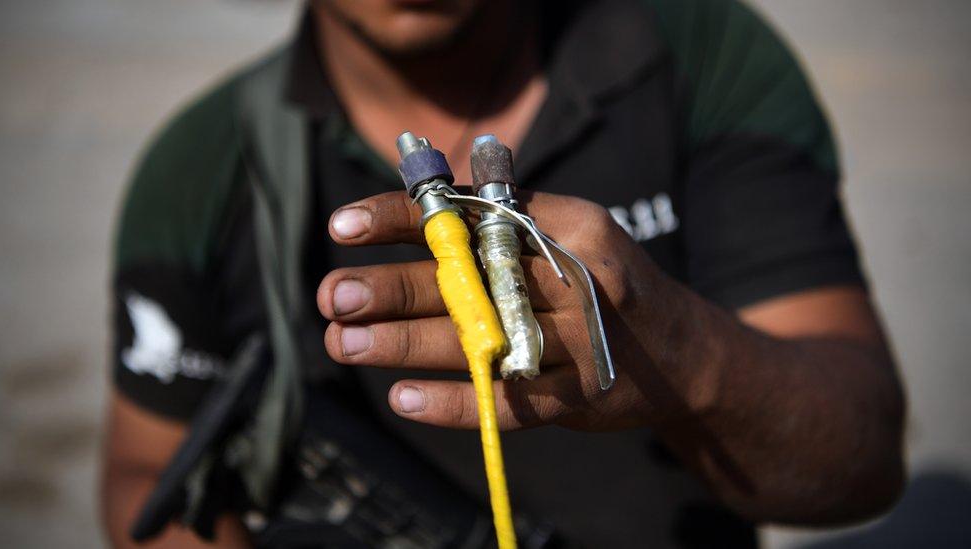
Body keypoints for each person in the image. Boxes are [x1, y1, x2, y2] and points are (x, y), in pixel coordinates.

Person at [102, 0, 906, 547]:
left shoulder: (696, 52)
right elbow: (150, 468)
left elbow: (861, 461)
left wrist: (685, 355)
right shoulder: (201, 168)